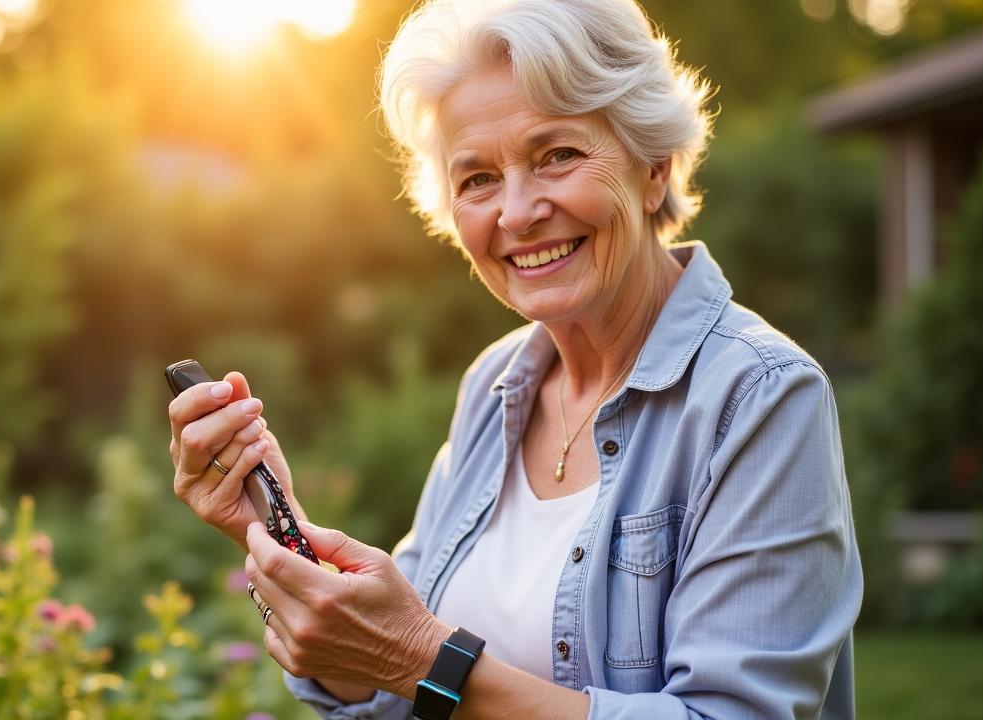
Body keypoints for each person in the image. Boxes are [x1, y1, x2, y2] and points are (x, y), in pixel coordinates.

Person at [167, 0, 863, 717]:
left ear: (653, 166)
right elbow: (386, 686)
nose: (517, 212)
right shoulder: (496, 386)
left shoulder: (760, 398)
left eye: (557, 155)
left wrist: (425, 660)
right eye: (478, 179)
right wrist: (272, 523)